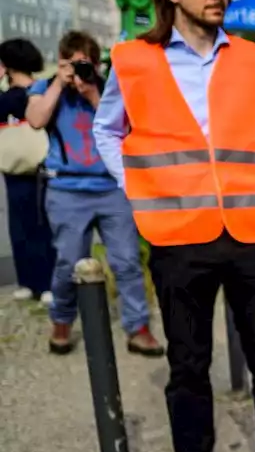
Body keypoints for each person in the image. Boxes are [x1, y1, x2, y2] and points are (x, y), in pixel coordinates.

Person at [93, 0, 255, 452]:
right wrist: (140, 190)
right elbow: (107, 132)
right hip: (178, 236)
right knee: (188, 365)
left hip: (253, 231)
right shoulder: (131, 60)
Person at [25, 31, 163, 357]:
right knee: (68, 262)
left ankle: (137, 327)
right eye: (75, 64)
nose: (81, 71)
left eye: (88, 64)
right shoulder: (45, 87)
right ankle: (61, 320)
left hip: (111, 188)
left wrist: (92, 95)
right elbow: (34, 119)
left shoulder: (107, 88)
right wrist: (59, 82)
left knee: (127, 261)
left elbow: (126, 129)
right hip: (66, 189)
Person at [0, 38, 56, 304]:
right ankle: (33, 282)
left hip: (31, 165)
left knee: (34, 223)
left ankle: (42, 282)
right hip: (19, 165)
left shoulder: (35, 92)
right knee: (27, 223)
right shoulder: (36, 90)